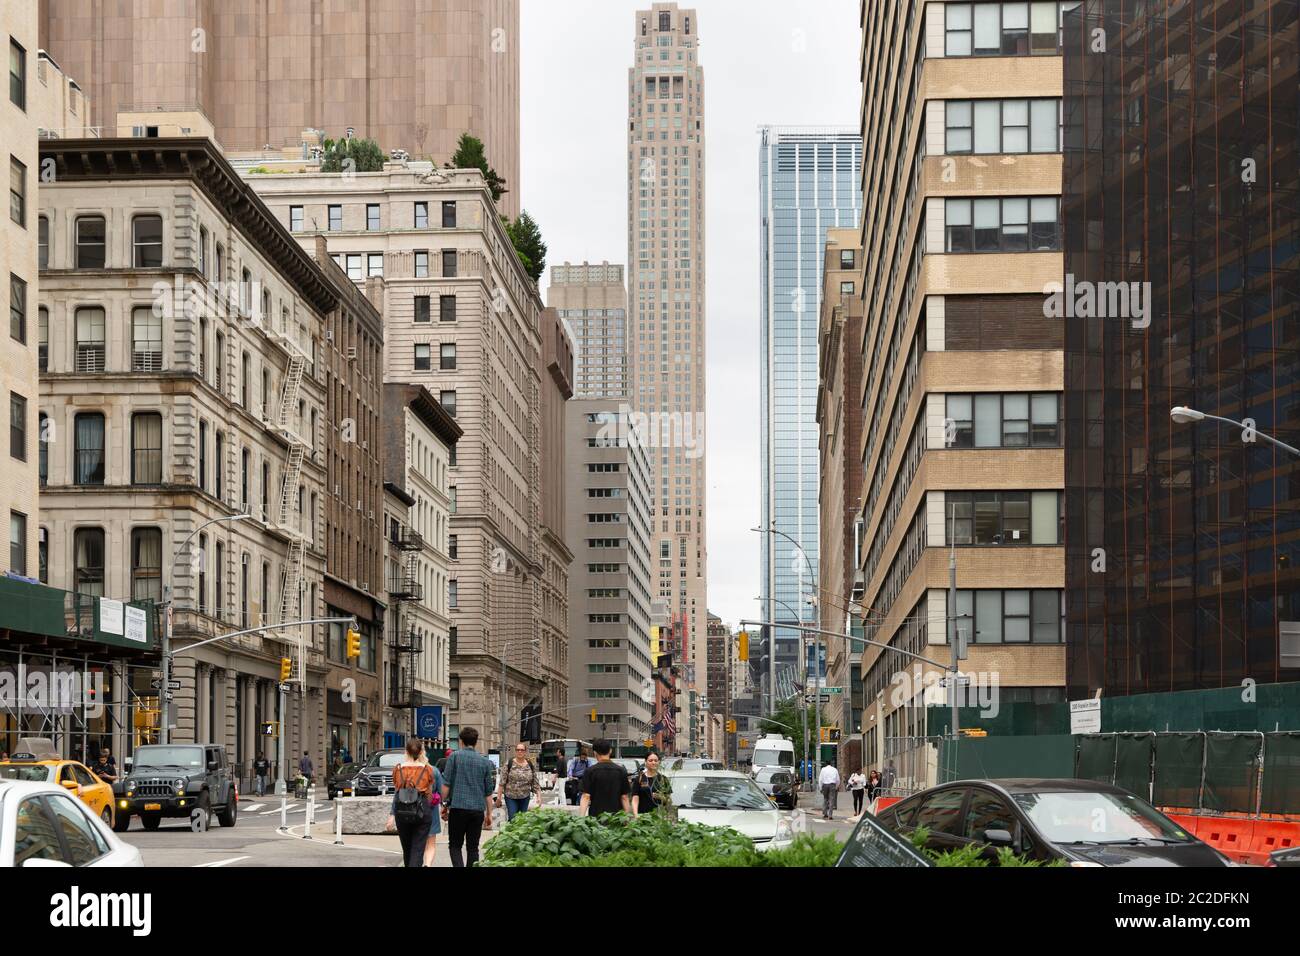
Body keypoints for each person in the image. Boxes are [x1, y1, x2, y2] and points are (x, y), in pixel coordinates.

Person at [440, 727, 495, 868]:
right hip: (477, 810)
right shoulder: (485, 762)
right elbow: (488, 792)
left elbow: (446, 784)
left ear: (461, 741)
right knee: (473, 848)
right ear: (476, 742)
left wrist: (442, 804)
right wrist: (489, 814)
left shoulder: (454, 757)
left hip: (458, 808)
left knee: (455, 845)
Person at [387, 739, 435, 868]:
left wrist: (392, 815)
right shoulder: (427, 769)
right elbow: (429, 793)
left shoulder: (398, 769)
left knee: (407, 848)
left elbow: (397, 792)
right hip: (421, 809)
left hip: (402, 810)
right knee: (418, 849)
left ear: (406, 752)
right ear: (421, 752)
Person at [579, 739, 631, 819]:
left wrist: (580, 819)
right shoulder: (621, 771)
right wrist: (627, 818)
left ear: (595, 753)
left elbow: (586, 796)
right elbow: (624, 797)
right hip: (616, 818)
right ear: (610, 751)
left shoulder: (590, 771)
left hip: (596, 818)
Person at [495, 742, 540, 821]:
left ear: (525, 752)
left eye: (522, 750)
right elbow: (502, 782)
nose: (520, 751)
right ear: (515, 751)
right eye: (518, 750)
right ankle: (510, 832)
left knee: (522, 821)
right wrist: (498, 798)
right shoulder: (509, 763)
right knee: (513, 818)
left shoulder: (529, 764)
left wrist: (539, 797)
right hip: (511, 797)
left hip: (525, 797)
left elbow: (535, 782)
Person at [418, 746, 446, 866]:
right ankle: (428, 864)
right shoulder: (433, 770)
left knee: (417, 843)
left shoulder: (406, 770)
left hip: (411, 812)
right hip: (431, 811)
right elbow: (441, 792)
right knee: (430, 843)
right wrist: (444, 806)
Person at [630, 752, 670, 816]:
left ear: (659, 762)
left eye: (656, 761)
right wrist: (635, 815)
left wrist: (660, 797)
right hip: (643, 816)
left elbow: (669, 800)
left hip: (659, 818)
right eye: (650, 760)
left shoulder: (663, 779)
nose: (653, 763)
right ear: (645, 762)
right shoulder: (639, 778)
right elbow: (635, 799)